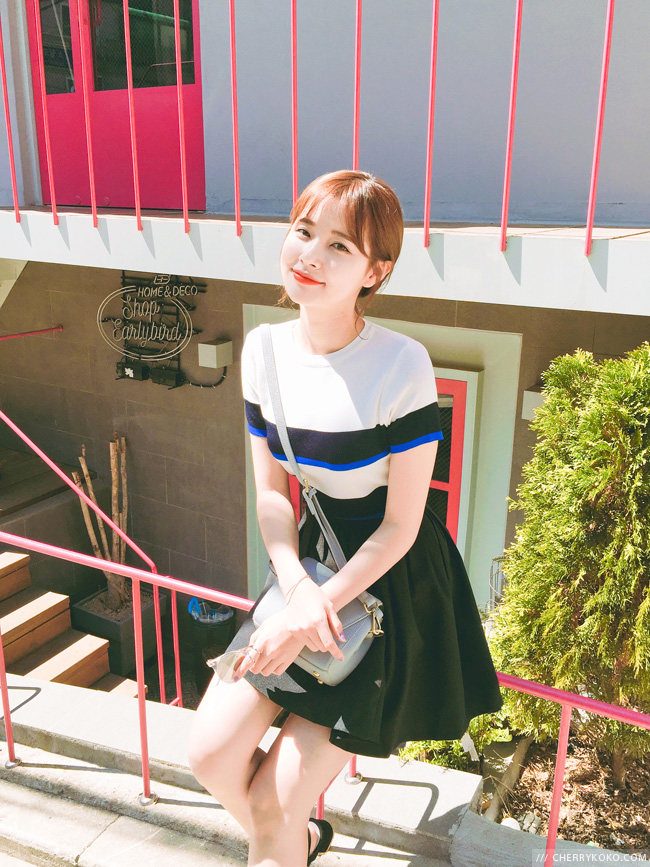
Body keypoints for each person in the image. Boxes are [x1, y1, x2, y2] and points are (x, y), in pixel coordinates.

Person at [187, 170, 502, 866]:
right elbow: (272, 493)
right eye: (304, 232)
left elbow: (403, 524)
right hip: (309, 564)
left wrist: (315, 605)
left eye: (339, 246)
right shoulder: (264, 350)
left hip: (391, 582)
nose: (311, 255)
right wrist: (296, 588)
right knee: (209, 754)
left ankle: (287, 839)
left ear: (375, 271)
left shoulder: (401, 365)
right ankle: (298, 843)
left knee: (274, 803)